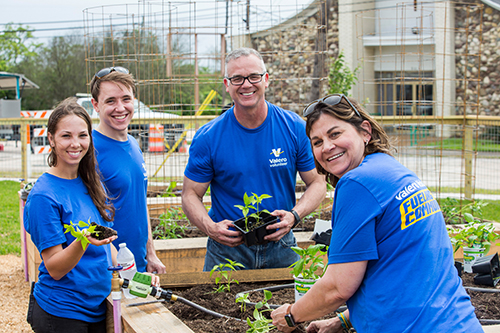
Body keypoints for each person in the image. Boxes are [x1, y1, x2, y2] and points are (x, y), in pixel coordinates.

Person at [271, 94, 482, 332]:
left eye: (335, 134)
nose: (327, 147)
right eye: (317, 142)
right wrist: (343, 320)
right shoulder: (389, 168)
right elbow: (401, 268)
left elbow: (337, 287)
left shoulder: (357, 183)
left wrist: (290, 315)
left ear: (365, 131)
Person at [182, 47, 326, 271]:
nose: (246, 84)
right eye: (237, 78)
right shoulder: (209, 137)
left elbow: (317, 182)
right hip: (227, 249)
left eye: (253, 77)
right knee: (219, 304)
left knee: (294, 305)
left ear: (266, 80)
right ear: (227, 85)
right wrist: (211, 228)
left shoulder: (294, 128)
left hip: (281, 243)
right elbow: (190, 194)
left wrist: (294, 215)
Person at [24, 98, 118, 332]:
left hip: (97, 307)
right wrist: (83, 240)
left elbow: (108, 246)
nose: (75, 143)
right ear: (51, 140)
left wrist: (134, 274)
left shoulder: (89, 182)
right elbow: (55, 267)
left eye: (82, 135)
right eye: (66, 136)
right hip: (62, 313)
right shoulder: (44, 196)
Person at [89, 66, 166, 274]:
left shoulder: (133, 143)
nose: (120, 107)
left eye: (126, 99)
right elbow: (85, 218)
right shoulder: (90, 151)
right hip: (112, 269)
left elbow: (140, 203)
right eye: (110, 101)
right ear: (95, 104)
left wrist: (150, 253)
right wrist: (119, 267)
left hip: (137, 263)